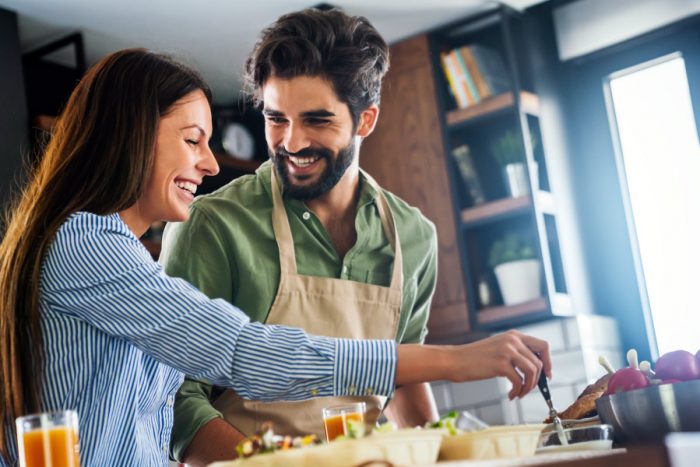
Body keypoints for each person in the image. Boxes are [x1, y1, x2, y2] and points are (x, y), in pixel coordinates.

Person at [0, 48, 551, 467]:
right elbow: (246, 354)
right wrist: (460, 361)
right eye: (193, 140)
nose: (211, 164)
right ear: (134, 134)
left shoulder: (121, 256)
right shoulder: (85, 246)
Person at [161, 8, 551, 466]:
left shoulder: (413, 237)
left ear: (365, 120)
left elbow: (400, 377)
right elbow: (175, 401)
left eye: (317, 121)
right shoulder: (213, 225)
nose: (292, 141)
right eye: (276, 118)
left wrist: (440, 456)